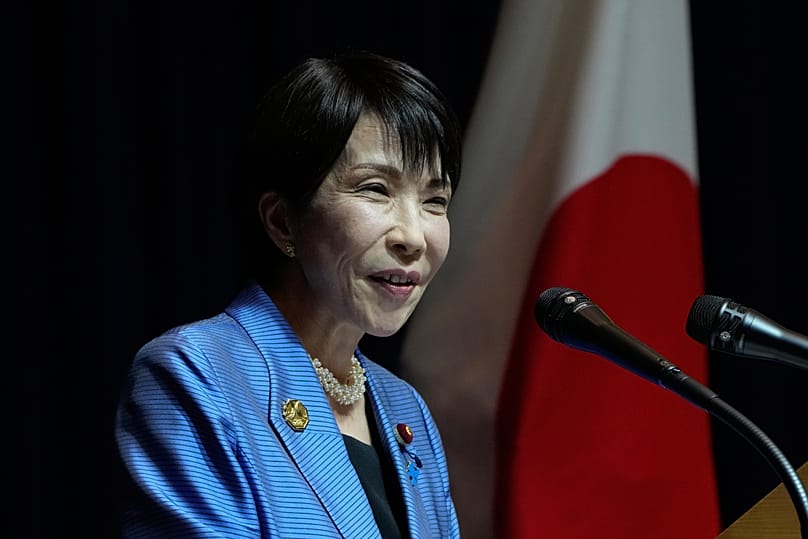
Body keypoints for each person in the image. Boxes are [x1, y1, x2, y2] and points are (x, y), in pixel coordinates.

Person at [114, 50, 463, 538]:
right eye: (375, 189)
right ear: (283, 221)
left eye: (434, 200)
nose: (414, 237)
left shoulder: (407, 410)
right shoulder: (196, 374)